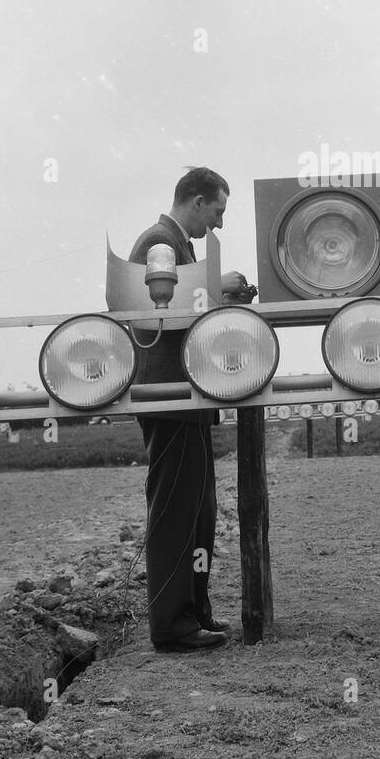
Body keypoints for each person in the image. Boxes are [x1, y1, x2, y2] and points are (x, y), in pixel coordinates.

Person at [129, 167, 248, 652]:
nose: (217, 223)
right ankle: (173, 626)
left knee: (198, 512)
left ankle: (194, 613)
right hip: (169, 396)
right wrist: (215, 286)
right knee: (177, 512)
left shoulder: (178, 245)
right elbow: (152, 309)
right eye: (217, 210)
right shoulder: (159, 242)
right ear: (197, 201)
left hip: (186, 399)